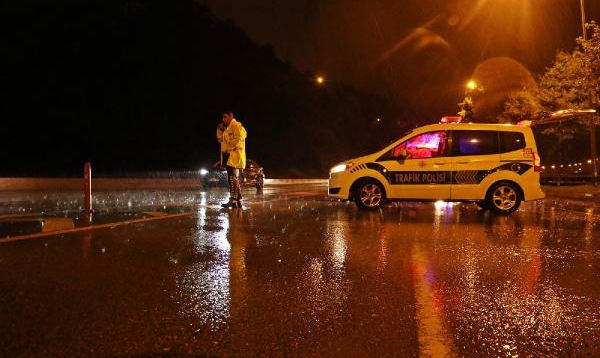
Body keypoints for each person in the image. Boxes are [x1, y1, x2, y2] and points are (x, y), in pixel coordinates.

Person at [216, 110, 247, 208]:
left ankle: (233, 200)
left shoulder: (235, 125)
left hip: (234, 155)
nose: (223, 119)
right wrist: (219, 129)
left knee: (232, 177)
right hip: (229, 156)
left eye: (225, 117)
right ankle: (238, 199)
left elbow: (237, 139)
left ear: (230, 116)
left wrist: (229, 148)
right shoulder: (227, 128)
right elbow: (220, 139)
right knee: (233, 177)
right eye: (223, 117)